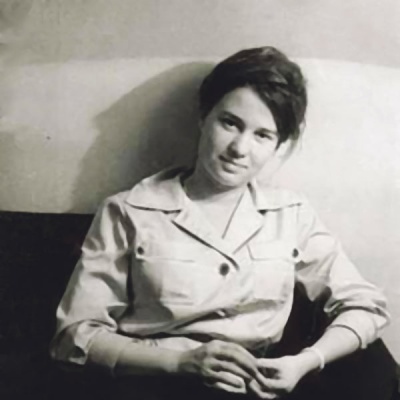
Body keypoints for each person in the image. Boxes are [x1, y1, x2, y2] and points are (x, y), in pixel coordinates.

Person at [50, 47, 397, 399]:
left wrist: (305, 362)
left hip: (254, 389)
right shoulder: (129, 210)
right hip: (153, 384)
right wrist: (179, 362)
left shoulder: (291, 214)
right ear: (204, 117)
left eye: (263, 135)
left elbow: (365, 305)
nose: (239, 148)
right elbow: (74, 337)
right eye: (230, 123)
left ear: (278, 144)